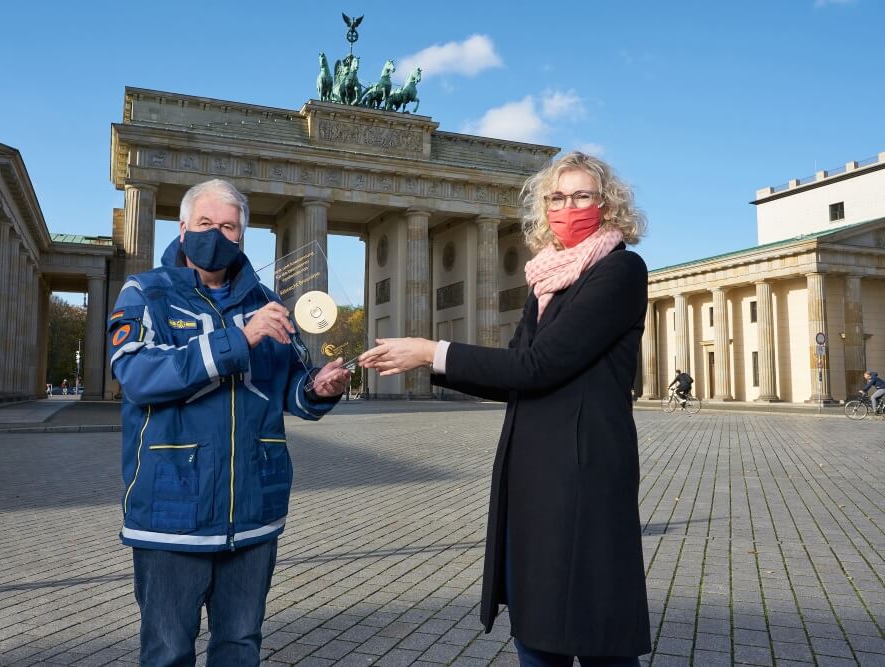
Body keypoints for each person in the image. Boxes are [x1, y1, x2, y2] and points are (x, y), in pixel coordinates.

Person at [360, 152, 651, 665]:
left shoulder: (620, 271)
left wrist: (432, 349)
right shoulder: (546, 282)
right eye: (557, 198)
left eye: (582, 195)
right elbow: (516, 371)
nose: (569, 206)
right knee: (537, 630)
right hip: (536, 480)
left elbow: (539, 366)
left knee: (597, 630)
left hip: (584, 475)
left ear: (607, 205)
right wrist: (427, 364)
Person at [108, 178, 350, 666]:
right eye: (205, 224)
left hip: (253, 511)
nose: (216, 234)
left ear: (242, 236)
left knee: (240, 646)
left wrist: (318, 389)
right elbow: (136, 374)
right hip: (172, 513)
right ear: (182, 227)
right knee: (168, 651)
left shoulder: (267, 299)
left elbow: (287, 388)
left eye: (228, 226)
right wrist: (239, 337)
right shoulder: (145, 293)